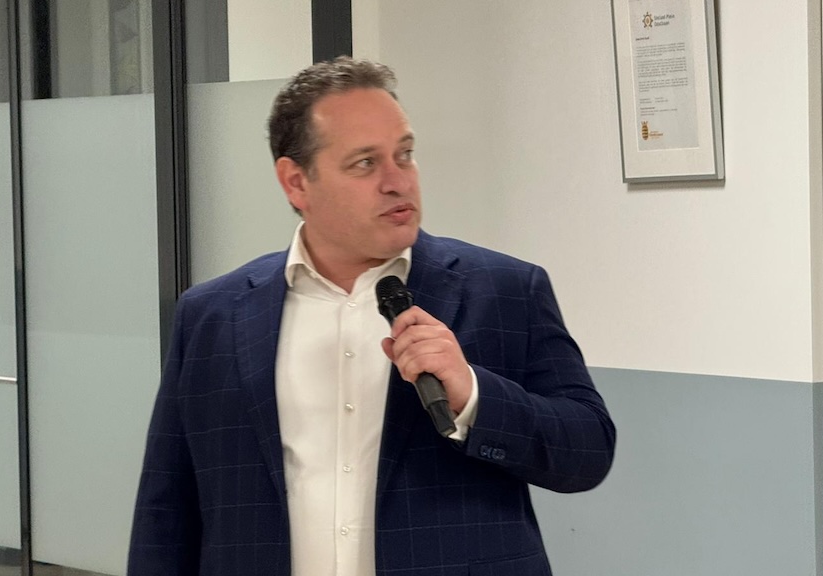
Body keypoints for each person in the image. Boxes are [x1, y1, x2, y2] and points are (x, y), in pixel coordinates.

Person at [128, 57, 615, 576]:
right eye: (365, 163)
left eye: (405, 155)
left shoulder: (505, 290)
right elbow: (166, 509)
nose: (397, 181)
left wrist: (473, 395)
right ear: (296, 182)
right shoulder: (212, 317)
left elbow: (588, 451)